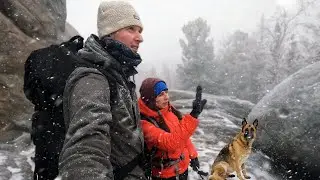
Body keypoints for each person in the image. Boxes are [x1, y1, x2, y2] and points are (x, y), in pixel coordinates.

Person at [58, 1, 146, 179]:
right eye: (131, 29)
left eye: (140, 30)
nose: (140, 37)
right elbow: (86, 147)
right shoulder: (93, 78)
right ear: (110, 32)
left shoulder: (120, 73)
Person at [138, 78, 207, 180]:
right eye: (161, 94)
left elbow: (182, 135)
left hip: (182, 169)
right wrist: (193, 116)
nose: (166, 97)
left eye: (166, 92)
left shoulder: (169, 111)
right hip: (164, 175)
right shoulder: (144, 123)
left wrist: (192, 155)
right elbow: (171, 142)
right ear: (150, 98)